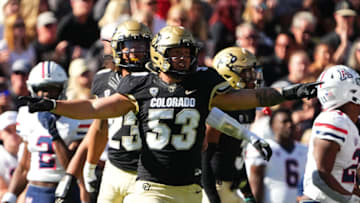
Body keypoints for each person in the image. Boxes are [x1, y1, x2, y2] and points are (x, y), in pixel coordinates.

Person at [20, 25, 320, 203]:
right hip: (150, 186)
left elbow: (249, 97)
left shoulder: (203, 82)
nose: (184, 59)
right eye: (177, 53)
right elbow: (96, 108)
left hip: (190, 190)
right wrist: (55, 105)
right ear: (159, 55)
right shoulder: (140, 84)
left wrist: (291, 92)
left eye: (188, 53)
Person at [55, 20, 152, 203]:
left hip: (146, 171)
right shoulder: (103, 79)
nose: (135, 52)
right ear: (117, 48)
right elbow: (99, 127)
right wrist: (88, 166)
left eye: (140, 46)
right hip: (114, 167)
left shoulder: (157, 81)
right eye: (129, 46)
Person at [1, 61, 92, 203]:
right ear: (33, 90)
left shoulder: (76, 118)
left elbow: (73, 168)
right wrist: (10, 197)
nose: (46, 94)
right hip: (36, 191)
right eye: (41, 89)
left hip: (64, 191)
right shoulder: (26, 116)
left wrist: (54, 133)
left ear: (62, 89)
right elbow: (25, 166)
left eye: (52, 89)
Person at [202, 47, 261, 203]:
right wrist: (212, 197)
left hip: (230, 185)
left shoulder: (248, 106)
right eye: (246, 72)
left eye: (252, 71)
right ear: (228, 74)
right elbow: (204, 158)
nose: (252, 76)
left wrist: (247, 192)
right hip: (213, 184)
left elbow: (237, 153)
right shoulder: (221, 108)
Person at [301, 65, 360, 202]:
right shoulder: (334, 120)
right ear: (348, 92)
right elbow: (319, 177)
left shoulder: (348, 124)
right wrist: (350, 199)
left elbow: (346, 177)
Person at [245, 108, 308, 203]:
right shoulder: (265, 148)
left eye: (290, 121)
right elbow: (255, 184)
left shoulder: (304, 150)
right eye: (284, 122)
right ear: (272, 126)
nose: (289, 125)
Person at [0, 111, 21, 199]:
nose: (13, 134)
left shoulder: (31, 150)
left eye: (16, 129)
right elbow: (1, 191)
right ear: (0, 134)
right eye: (8, 130)